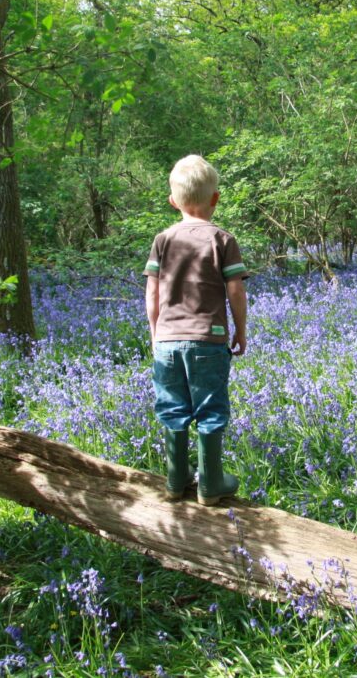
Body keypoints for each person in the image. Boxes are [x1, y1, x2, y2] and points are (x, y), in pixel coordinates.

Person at [143, 155, 249, 506]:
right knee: (210, 408)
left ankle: (175, 480)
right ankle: (211, 483)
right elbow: (236, 289)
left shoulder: (163, 240)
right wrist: (240, 329)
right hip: (209, 338)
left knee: (172, 407)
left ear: (173, 201)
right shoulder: (223, 240)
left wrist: (155, 332)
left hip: (168, 341)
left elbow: (153, 292)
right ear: (215, 198)